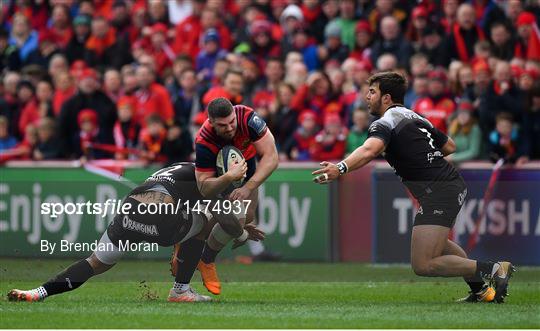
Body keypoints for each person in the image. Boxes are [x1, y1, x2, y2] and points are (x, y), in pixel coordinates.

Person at [312, 71, 514, 303]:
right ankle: (481, 291)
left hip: (440, 189)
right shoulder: (415, 116)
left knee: (424, 264)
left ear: (386, 98)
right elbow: (449, 145)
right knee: (441, 247)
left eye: (372, 92)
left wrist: (340, 168)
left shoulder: (385, 122)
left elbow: (370, 150)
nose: (366, 96)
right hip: (445, 186)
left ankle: (497, 270)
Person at [8, 162, 264, 303]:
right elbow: (228, 222)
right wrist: (240, 234)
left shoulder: (183, 167)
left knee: (95, 263)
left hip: (129, 212)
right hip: (163, 222)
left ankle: (38, 292)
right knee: (206, 221)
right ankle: (180, 290)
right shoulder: (211, 182)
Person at [173, 97, 278, 296]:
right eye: (222, 125)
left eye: (231, 122)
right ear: (211, 122)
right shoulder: (204, 140)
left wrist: (248, 187)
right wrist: (229, 177)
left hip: (246, 174)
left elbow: (272, 157)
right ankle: (205, 259)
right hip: (216, 179)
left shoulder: (247, 118)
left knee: (245, 218)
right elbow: (204, 187)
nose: (229, 128)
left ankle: (191, 248)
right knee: (222, 223)